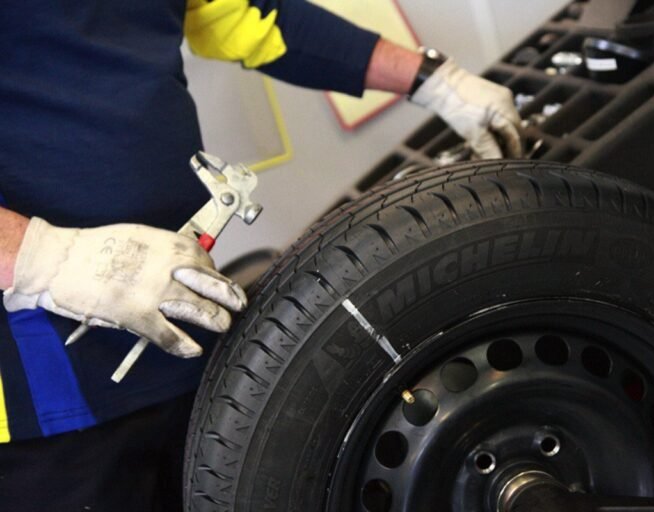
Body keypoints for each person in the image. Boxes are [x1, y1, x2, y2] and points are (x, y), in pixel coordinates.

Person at [0, 0, 523, 509]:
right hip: (45, 401)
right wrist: (45, 258)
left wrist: (434, 80)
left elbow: (252, 15)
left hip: (181, 333)